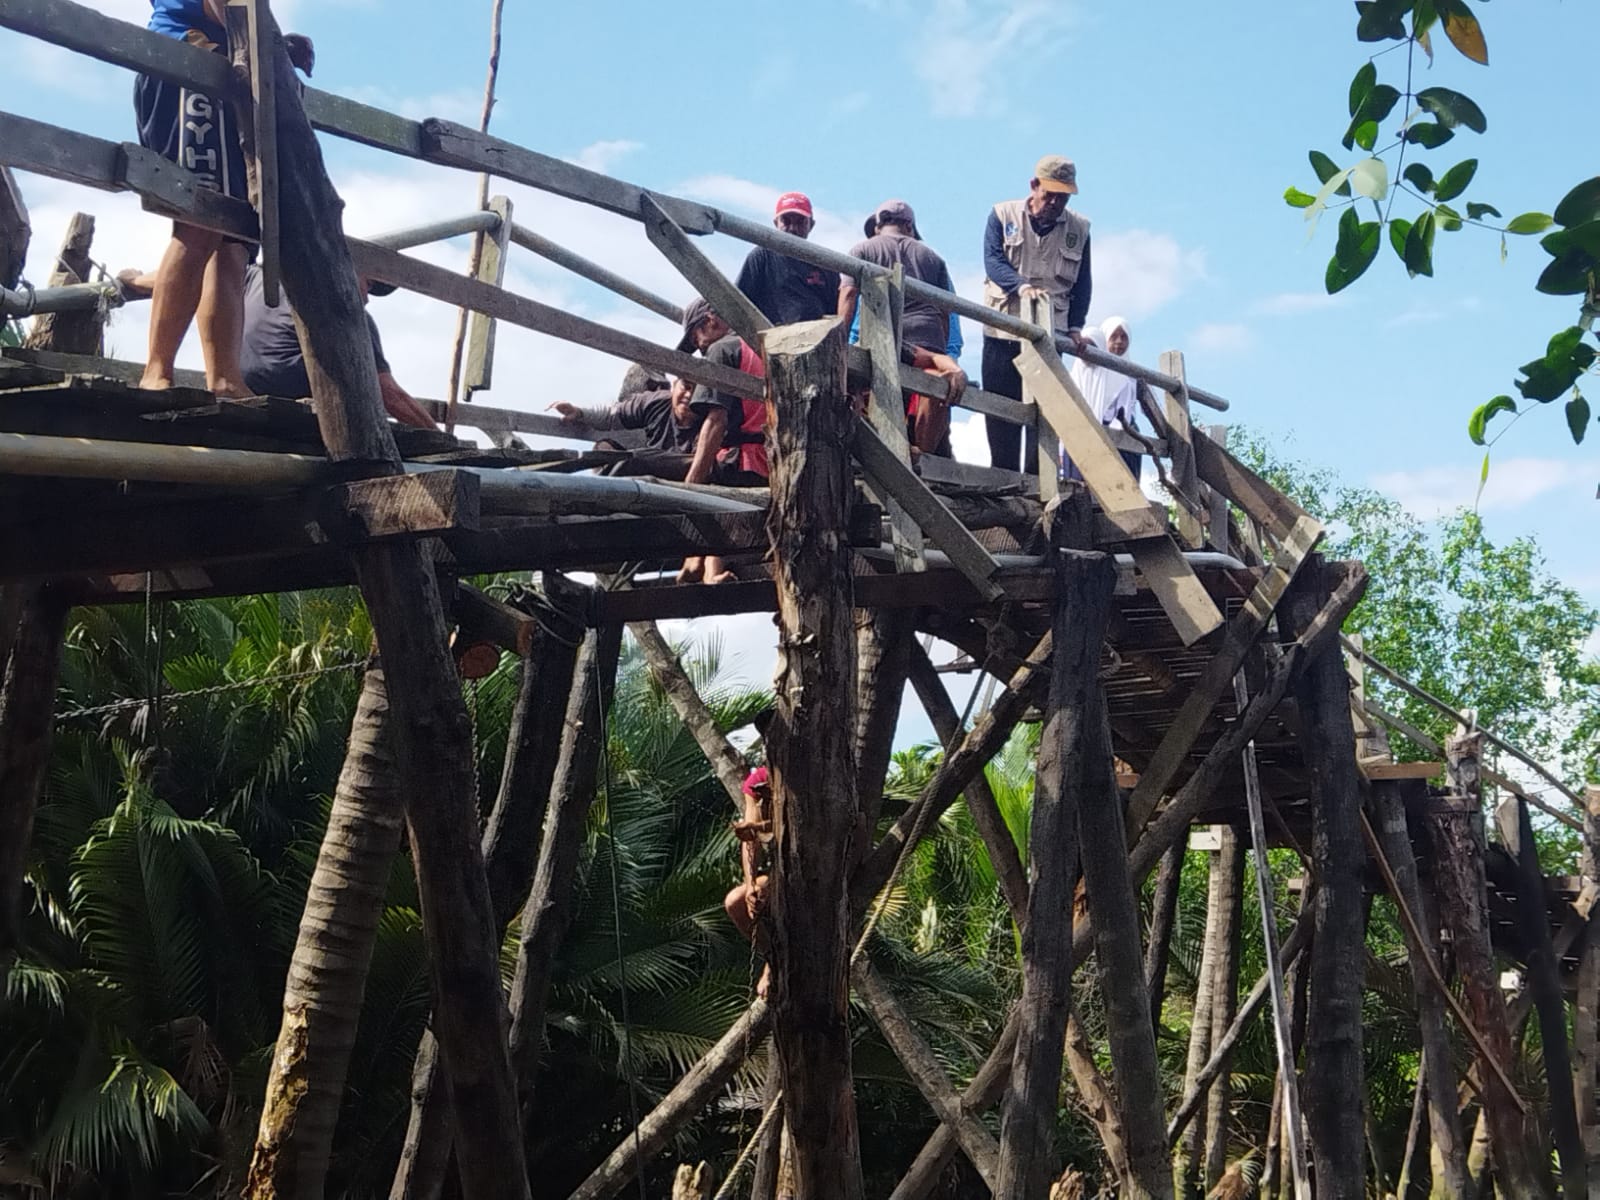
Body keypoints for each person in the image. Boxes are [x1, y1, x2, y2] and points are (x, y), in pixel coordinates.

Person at [133, 0, 314, 396]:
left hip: (228, 72)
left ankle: (225, 376)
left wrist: (275, 45)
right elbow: (227, 7)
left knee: (234, 243)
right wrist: (271, 47)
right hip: (190, 61)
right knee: (199, 224)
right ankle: (157, 369)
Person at [979, 155, 1093, 473]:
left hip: (1050, 333)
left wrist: (1075, 327)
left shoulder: (1079, 229)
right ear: (1034, 185)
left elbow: (1083, 283)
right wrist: (1020, 286)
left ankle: (1036, 480)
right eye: (1050, 193)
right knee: (1001, 408)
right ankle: (1002, 479)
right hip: (1002, 329)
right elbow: (993, 260)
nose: (1055, 202)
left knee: (1043, 411)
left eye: (1063, 196)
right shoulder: (1002, 215)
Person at [838, 199, 968, 454]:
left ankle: (880, 455)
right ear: (909, 226)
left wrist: (839, 341)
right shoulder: (934, 258)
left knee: (862, 391)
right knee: (936, 388)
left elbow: (848, 295)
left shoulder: (861, 250)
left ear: (878, 227)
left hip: (880, 339)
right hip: (927, 342)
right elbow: (945, 312)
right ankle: (923, 457)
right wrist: (941, 352)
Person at [239, 263, 436, 428]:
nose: (366, 298)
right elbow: (389, 394)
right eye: (368, 284)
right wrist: (439, 438)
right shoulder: (349, 313)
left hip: (245, 389)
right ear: (344, 264)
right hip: (296, 409)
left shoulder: (255, 275)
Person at [677, 298, 768, 584]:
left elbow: (716, 422)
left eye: (696, 337)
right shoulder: (764, 347)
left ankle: (703, 567)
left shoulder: (721, 350)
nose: (699, 347)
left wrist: (688, 487)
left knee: (709, 486)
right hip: (772, 461)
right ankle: (699, 565)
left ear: (711, 320)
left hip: (740, 459)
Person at [549, 377, 705, 478]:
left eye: (698, 391)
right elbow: (612, 415)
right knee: (604, 448)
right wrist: (579, 412)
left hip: (685, 471)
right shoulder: (656, 402)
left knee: (638, 460)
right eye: (686, 386)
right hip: (649, 464)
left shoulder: (712, 419)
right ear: (674, 385)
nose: (689, 395)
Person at [734, 193, 837, 324]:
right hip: (772, 338)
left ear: (811, 225)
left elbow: (836, 311)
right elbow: (738, 303)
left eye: (800, 222)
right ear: (776, 223)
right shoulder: (761, 257)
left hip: (818, 338)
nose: (793, 228)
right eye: (786, 221)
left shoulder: (826, 264)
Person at [1065, 319, 1141, 481]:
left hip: (1124, 437)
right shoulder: (1087, 371)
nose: (1119, 342)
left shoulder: (1133, 374)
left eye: (1123, 337)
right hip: (1082, 436)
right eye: (1114, 337)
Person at [724, 765, 773, 998]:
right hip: (781, 870)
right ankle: (774, 956)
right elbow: (750, 840)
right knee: (735, 902)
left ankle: (773, 967)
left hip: (820, 863)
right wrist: (751, 883)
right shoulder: (758, 780)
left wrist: (759, 826)